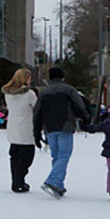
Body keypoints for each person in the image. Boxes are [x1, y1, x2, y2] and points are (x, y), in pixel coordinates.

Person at [33, 66, 90, 200]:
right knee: (64, 156)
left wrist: (36, 131)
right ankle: (53, 181)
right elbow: (79, 105)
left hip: (49, 128)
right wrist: (86, 118)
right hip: (65, 125)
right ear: (62, 77)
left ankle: (58, 184)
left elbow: (37, 113)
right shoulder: (69, 89)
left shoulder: (44, 92)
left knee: (56, 157)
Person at [2, 68, 38, 193]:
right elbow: (36, 108)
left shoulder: (8, 93)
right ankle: (19, 182)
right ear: (25, 78)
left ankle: (16, 181)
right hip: (26, 128)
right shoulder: (29, 94)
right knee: (26, 157)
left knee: (15, 156)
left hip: (13, 127)